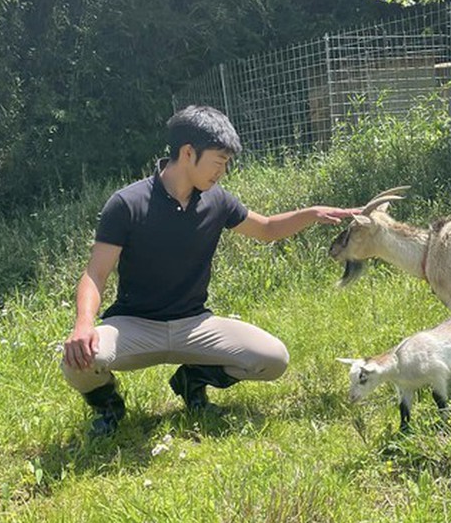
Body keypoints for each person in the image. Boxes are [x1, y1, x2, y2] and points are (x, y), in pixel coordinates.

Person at [61, 105, 359, 435]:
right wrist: (84, 324)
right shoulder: (127, 203)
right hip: (135, 325)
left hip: (194, 324)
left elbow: (268, 229)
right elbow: (95, 274)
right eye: (219, 161)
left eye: (227, 163)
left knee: (274, 359)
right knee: (78, 357)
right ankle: (108, 406)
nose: (223, 171)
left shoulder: (217, 201)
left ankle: (193, 379)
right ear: (188, 152)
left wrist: (313, 213)